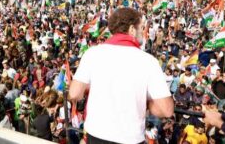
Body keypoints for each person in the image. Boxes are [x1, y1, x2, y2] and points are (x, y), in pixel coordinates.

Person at [69, 8, 173, 144]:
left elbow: (74, 93)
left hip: (95, 135)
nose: (143, 32)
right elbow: (167, 110)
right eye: (141, 27)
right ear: (131, 29)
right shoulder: (148, 61)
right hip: (130, 139)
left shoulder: (92, 54)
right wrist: (146, 102)